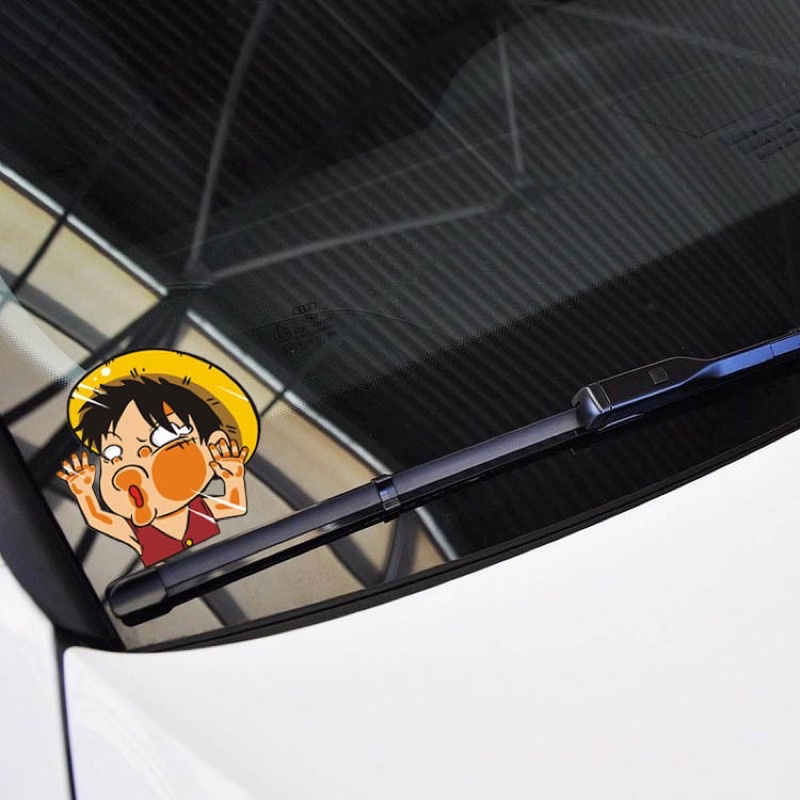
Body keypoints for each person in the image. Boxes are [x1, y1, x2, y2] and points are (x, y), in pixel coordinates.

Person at [57, 349, 260, 567]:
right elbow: (98, 519)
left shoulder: (199, 512)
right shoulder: (140, 532)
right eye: (112, 454)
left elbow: (236, 506)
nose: (128, 471)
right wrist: (84, 492)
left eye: (163, 438)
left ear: (214, 448)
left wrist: (233, 477)